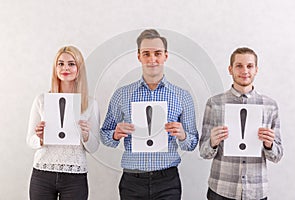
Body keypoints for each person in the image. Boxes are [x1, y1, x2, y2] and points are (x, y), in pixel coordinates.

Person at [100, 29, 199, 200]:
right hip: (132, 182)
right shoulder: (122, 95)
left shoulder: (182, 96)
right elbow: (104, 135)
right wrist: (115, 135)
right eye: (146, 54)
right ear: (139, 56)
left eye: (157, 53)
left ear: (165, 56)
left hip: (167, 181)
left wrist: (183, 135)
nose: (152, 59)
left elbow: (192, 144)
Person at [199, 47, 283, 200]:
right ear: (230, 69)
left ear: (256, 70)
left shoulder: (270, 106)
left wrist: (269, 145)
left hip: (256, 191)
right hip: (221, 189)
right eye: (239, 66)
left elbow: (277, 156)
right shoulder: (214, 103)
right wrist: (212, 142)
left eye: (249, 66)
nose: (245, 70)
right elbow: (203, 152)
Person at [27, 46, 100, 200]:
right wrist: (40, 138)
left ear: (79, 68)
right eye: (60, 64)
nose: (65, 68)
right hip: (43, 173)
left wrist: (86, 135)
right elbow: (30, 140)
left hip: (75, 176)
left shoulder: (90, 104)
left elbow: (94, 147)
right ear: (55, 68)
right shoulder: (42, 99)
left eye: (71, 64)